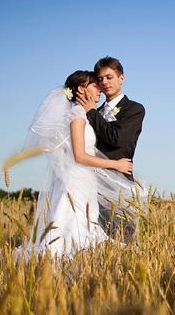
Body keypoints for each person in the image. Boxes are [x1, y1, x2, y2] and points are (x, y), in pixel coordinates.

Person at [17, 70, 135, 259]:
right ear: (81, 89)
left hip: (82, 181)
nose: (100, 90)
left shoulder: (79, 115)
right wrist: (116, 164)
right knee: (72, 225)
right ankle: (57, 263)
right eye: (95, 85)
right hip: (75, 182)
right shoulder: (77, 116)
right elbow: (80, 156)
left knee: (80, 226)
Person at [75, 57, 147, 240]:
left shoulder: (134, 109)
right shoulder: (94, 111)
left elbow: (117, 139)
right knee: (96, 238)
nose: (104, 82)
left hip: (119, 183)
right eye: (100, 79)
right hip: (92, 183)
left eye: (109, 77)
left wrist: (91, 111)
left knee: (124, 237)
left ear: (121, 78)